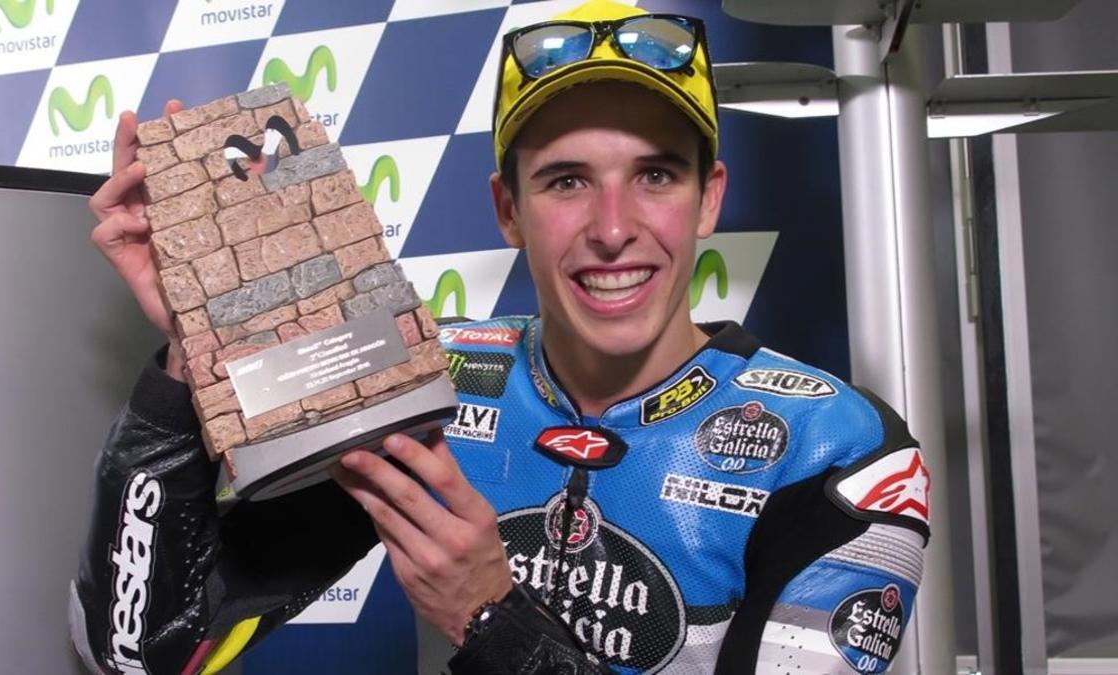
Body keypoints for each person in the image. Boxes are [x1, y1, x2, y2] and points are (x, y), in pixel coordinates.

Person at [72, 1, 931, 673]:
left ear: (708, 198)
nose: (611, 227)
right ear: (508, 210)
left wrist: (492, 618)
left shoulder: (838, 454)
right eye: (566, 181)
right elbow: (149, 650)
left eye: (656, 175)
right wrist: (192, 360)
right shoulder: (430, 380)